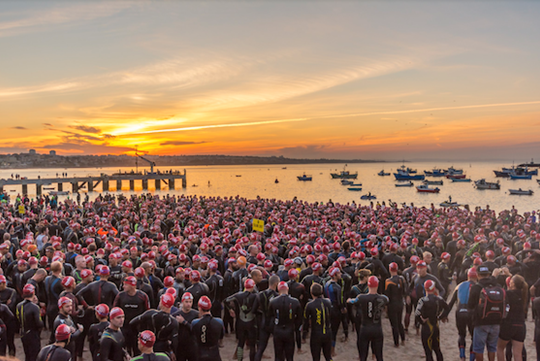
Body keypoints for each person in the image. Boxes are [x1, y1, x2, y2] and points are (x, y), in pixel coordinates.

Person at [347, 276, 389, 361]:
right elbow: (387, 300)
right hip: (377, 328)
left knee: (363, 356)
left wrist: (348, 300)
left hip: (365, 328)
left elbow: (352, 301)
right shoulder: (383, 298)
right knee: (379, 356)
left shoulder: (361, 297)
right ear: (377, 285)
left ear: (368, 285)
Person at [468, 266, 503, 361]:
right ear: (488, 274)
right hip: (496, 321)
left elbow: (470, 305)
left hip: (481, 322)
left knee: (479, 349)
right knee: (492, 348)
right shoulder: (498, 286)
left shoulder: (476, 287)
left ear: (478, 275)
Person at [113, 276, 150, 356]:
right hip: (124, 328)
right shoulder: (120, 296)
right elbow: (114, 311)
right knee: (125, 351)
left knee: (137, 350)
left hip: (138, 329)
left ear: (132, 285)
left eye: (125, 284)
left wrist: (145, 329)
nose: (123, 286)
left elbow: (147, 313)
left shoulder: (143, 296)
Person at [447, 267, 477, 361]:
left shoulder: (459, 285)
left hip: (459, 312)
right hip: (472, 313)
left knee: (461, 335)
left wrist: (444, 315)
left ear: (468, 276)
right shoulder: (478, 287)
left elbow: (451, 303)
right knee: (474, 337)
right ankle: (471, 359)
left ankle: (462, 356)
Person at [415, 279, 449, 361]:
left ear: (425, 289)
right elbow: (447, 308)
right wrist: (440, 317)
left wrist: (421, 321)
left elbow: (417, 314)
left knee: (428, 352)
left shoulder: (423, 300)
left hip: (427, 327)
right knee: (437, 350)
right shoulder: (439, 299)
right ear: (434, 288)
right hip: (435, 325)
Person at [225, 278, 259, 361]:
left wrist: (230, 309)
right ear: (253, 287)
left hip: (240, 322)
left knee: (241, 343)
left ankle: (239, 360)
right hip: (251, 322)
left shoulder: (238, 295)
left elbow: (226, 300)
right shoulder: (255, 296)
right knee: (252, 345)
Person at [496, 274, 527, 361]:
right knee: (518, 354)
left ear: (512, 284)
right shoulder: (524, 294)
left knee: (500, 348)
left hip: (508, 324)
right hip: (521, 325)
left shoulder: (508, 293)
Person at [269, 281, 302, 361]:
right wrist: (295, 327)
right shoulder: (295, 301)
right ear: (287, 288)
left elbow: (270, 317)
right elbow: (299, 319)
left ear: (278, 289)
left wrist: (272, 329)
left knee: (278, 356)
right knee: (289, 357)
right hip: (289, 330)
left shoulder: (273, 301)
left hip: (278, 330)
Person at [303, 283, 332, 361]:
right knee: (328, 357)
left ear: (311, 293)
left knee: (316, 358)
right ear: (322, 291)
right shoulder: (328, 302)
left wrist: (304, 335)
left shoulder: (309, 305)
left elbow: (305, 321)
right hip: (327, 333)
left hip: (316, 335)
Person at [192, 296, 225, 361]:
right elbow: (221, 338)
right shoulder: (219, 322)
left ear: (200, 308)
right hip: (214, 353)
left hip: (201, 353)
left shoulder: (195, 323)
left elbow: (193, 337)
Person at [254, 275, 279, 361]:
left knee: (261, 348)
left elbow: (255, 309)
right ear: (276, 284)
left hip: (264, 321)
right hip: (274, 322)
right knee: (278, 349)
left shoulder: (260, 294)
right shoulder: (277, 296)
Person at [16, 284, 43, 361]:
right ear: (33, 293)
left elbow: (18, 318)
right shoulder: (34, 307)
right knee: (34, 356)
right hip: (33, 334)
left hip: (23, 334)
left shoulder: (19, 305)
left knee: (27, 355)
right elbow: (39, 324)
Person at [384, 262, 407, 347]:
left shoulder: (388, 281)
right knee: (399, 322)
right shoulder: (402, 279)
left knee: (394, 324)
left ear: (390, 269)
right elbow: (404, 291)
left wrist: (386, 307)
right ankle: (403, 339)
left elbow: (387, 296)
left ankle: (396, 343)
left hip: (392, 304)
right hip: (400, 303)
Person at [172, 292, 199, 361]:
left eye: (190, 302)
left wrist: (184, 322)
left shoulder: (196, 314)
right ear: (182, 302)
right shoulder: (176, 315)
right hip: (180, 347)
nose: (188, 304)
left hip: (192, 346)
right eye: (186, 302)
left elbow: (196, 330)